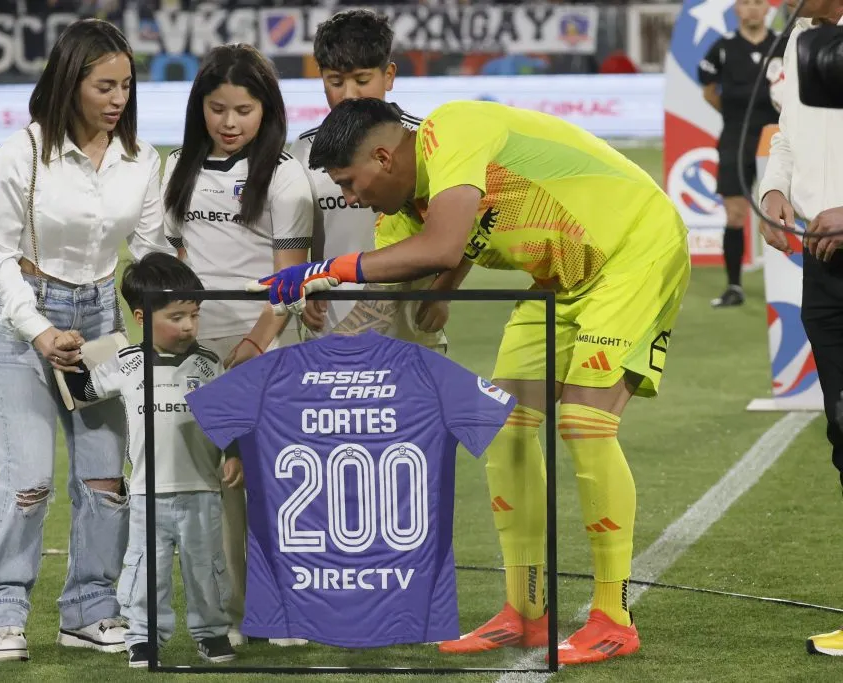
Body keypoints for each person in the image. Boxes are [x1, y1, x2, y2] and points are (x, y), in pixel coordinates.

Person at [251, 98, 692, 665]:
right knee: (505, 428)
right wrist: (310, 362)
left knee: (585, 424)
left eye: (351, 183)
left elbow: (443, 248)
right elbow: (387, 304)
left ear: (384, 156)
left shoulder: (450, 129)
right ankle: (526, 611)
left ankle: (613, 615)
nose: (353, 199)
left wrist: (325, 269)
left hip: (635, 251)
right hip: (559, 278)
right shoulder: (402, 217)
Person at [0, 18, 172, 662]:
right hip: (21, 321)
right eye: (105, 86)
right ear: (70, 82)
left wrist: (173, 298)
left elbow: (148, 249)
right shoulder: (22, 153)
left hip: (99, 327)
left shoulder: (143, 160)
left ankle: (89, 609)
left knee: (106, 478)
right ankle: (1, 612)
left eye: (126, 87)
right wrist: (37, 329)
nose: (118, 99)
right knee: (27, 478)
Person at [161, 43, 312, 647]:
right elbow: (174, 259)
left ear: (266, 110)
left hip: (265, 345)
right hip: (199, 349)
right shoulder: (177, 168)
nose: (228, 123)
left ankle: (285, 612)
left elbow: (291, 278)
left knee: (275, 486)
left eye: (243, 110)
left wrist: (255, 342)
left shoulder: (284, 175)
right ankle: (235, 613)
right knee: (219, 491)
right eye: (217, 108)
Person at [60, 252, 242, 668]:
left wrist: (234, 454)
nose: (189, 326)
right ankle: (143, 637)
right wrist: (65, 356)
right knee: (144, 571)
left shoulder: (208, 363)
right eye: (176, 316)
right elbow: (84, 392)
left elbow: (228, 419)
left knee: (207, 569)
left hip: (202, 491)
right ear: (141, 317)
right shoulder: (127, 365)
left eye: (194, 315)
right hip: (146, 494)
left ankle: (212, 633)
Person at [289, 8, 460, 349]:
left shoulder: (425, 140)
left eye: (362, 80)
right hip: (331, 326)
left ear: (389, 75)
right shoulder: (303, 150)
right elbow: (303, 232)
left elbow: (467, 227)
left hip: (411, 328)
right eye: (335, 82)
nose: (349, 94)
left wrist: (444, 292)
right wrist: (307, 286)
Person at [756, 0, 843, 655]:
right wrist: (775, 189)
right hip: (822, 260)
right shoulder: (799, 37)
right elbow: (788, 130)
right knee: (842, 430)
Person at [698, 0, 785, 308]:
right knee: (735, 213)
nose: (751, 9)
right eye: (745, 3)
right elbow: (708, 90)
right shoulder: (722, 48)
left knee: (792, 210)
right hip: (735, 138)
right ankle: (734, 286)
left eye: (758, 3)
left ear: (767, 10)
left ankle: (792, 284)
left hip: (778, 138)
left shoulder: (783, 43)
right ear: (737, 9)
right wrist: (735, 118)